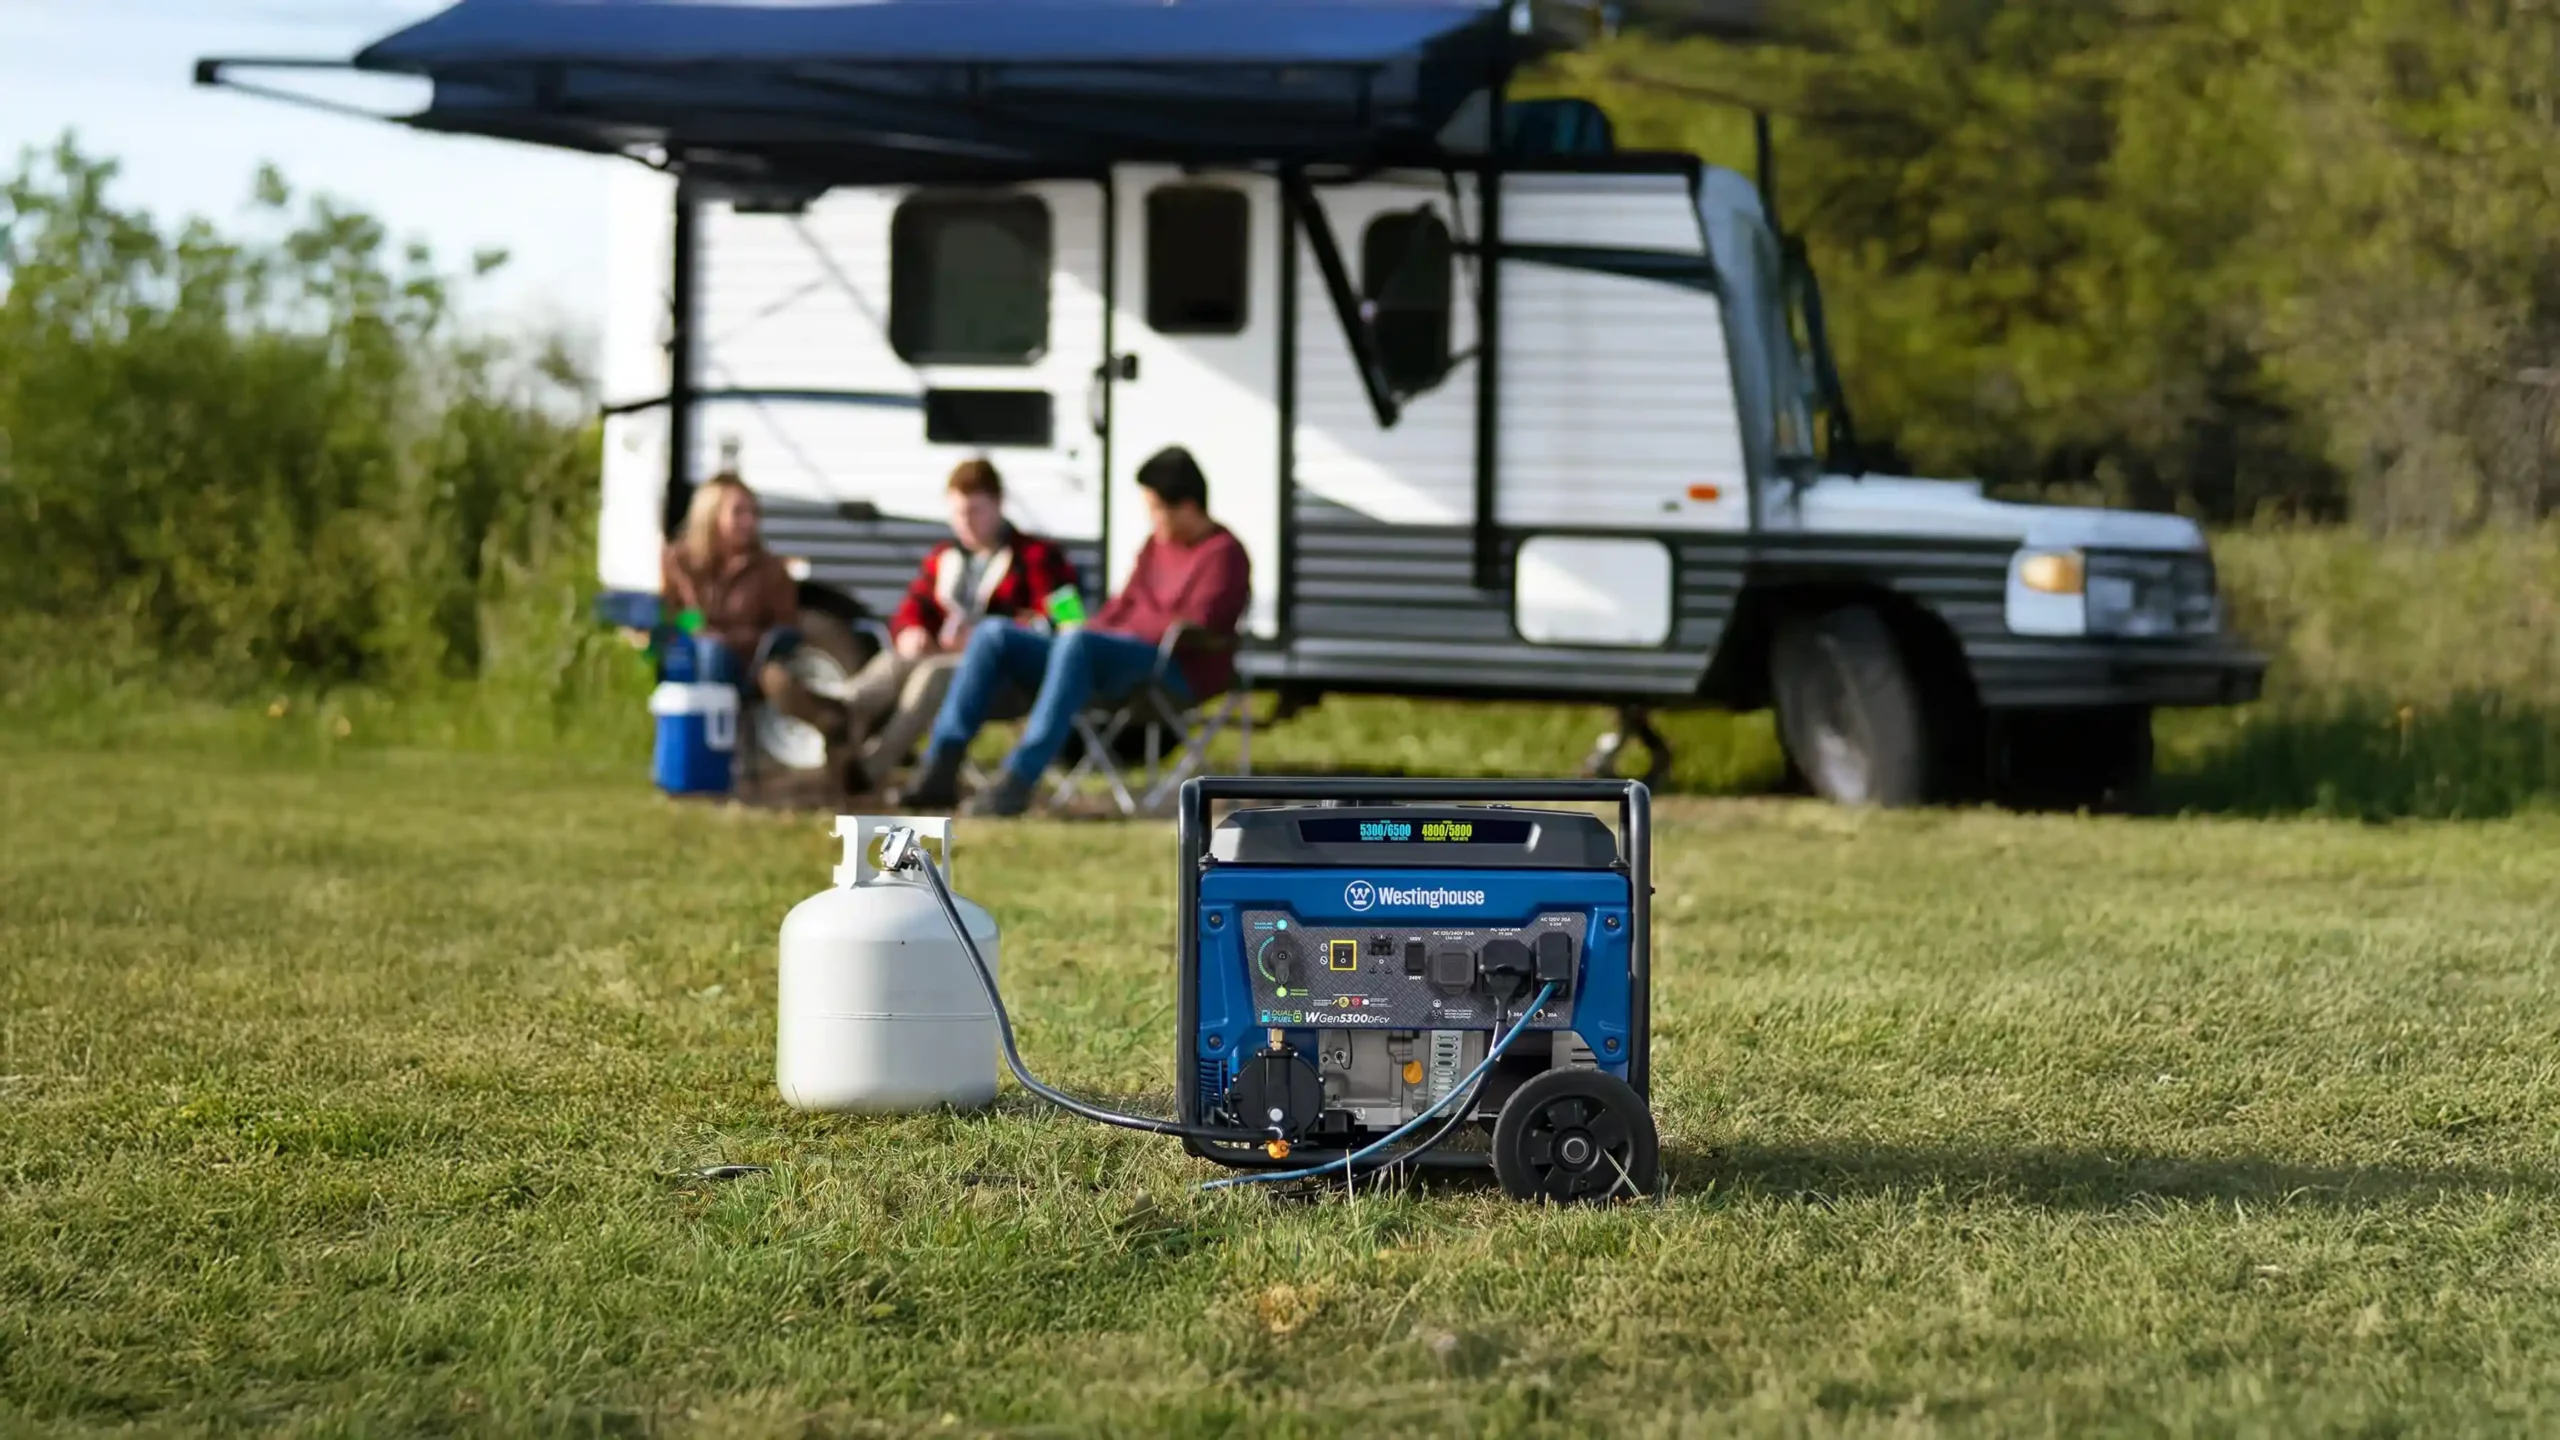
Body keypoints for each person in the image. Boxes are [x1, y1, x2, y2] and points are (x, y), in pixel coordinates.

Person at [898, 446, 1251, 817]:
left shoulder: (1224, 554)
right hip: (1101, 653)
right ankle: (941, 764)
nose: (1150, 517)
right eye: (959, 512)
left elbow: (1198, 621)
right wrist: (1093, 627)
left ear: (1188, 506)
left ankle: (1018, 780)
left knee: (1076, 641)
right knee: (994, 634)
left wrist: (1092, 629)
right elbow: (1120, 606)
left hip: (1173, 668)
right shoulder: (1155, 546)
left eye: (1155, 507)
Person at [837, 458, 1081, 790]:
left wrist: (987, 636)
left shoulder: (1039, 556)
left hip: (1004, 677)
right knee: (893, 663)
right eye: (956, 513)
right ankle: (836, 710)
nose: (964, 523)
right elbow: (912, 607)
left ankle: (868, 769)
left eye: (974, 512)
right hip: (943, 654)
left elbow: (1070, 623)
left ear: (998, 505)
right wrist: (912, 631)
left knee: (932, 675)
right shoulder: (943, 559)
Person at [659, 470, 850, 763]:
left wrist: (733, 639)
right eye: (738, 512)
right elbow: (672, 614)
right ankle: (701, 753)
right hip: (690, 656)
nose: (749, 522)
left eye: (753, 513)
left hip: (750, 659)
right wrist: (696, 628)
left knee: (742, 663)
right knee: (708, 651)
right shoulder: (680, 562)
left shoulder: (770, 570)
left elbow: (785, 627)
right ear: (711, 515)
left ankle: (718, 755)